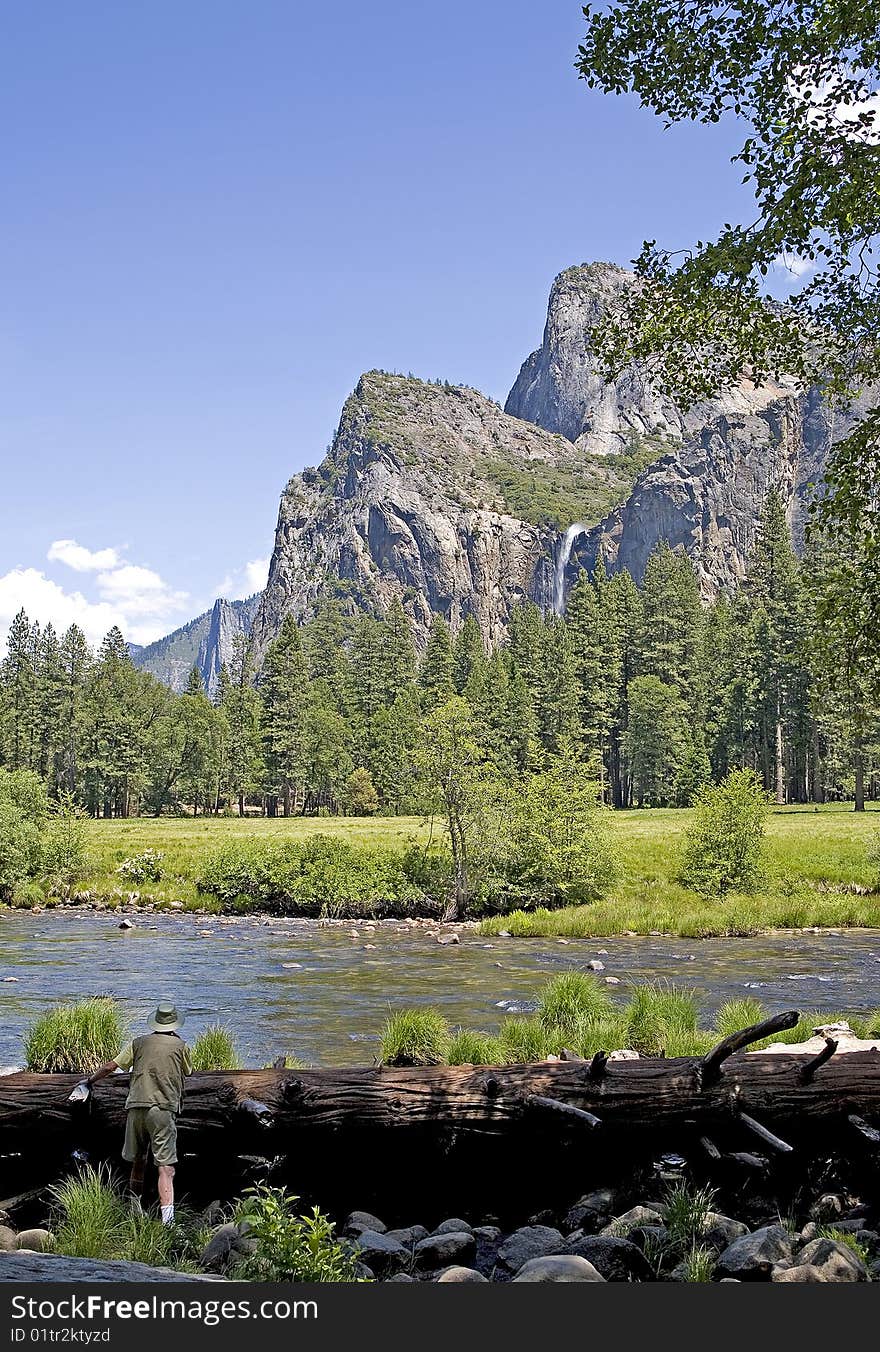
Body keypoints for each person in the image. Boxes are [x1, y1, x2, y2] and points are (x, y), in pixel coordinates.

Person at [84, 1000, 192, 1226]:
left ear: (155, 1023)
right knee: (166, 1167)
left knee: (138, 1161)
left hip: (135, 1107)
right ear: (174, 1025)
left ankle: (135, 1210)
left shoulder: (138, 1043)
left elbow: (111, 1067)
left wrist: (89, 1081)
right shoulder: (181, 1046)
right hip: (163, 1109)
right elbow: (189, 1071)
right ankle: (168, 1222)